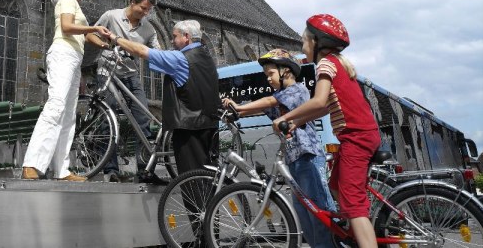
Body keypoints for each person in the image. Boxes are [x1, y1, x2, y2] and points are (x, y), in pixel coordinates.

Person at [273, 14, 380, 248]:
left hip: (356, 137)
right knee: (334, 184)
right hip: (360, 134)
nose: (302, 47)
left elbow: (319, 102)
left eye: (303, 41)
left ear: (316, 42)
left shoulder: (325, 64)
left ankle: (359, 226)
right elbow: (324, 108)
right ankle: (356, 232)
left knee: (353, 205)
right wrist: (297, 122)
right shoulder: (337, 63)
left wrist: (286, 116)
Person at [223, 48, 336, 248]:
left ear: (286, 71)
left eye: (270, 74)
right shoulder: (280, 94)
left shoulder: (297, 90)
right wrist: (237, 112)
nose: (267, 79)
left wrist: (239, 106)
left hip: (307, 155)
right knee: (303, 213)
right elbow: (262, 107)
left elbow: (269, 101)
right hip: (294, 159)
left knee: (318, 210)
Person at [22, 0, 111, 182]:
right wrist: (94, 29)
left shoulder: (77, 7)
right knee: (56, 106)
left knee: (69, 114)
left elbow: (85, 35)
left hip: (74, 59)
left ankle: (61, 170)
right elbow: (67, 27)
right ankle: (32, 164)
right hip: (63, 54)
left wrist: (107, 44)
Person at [108, 19, 219, 177]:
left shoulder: (180, 59)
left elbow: (141, 51)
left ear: (186, 36)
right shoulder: (207, 58)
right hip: (209, 125)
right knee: (207, 174)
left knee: (191, 180)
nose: (172, 41)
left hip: (188, 128)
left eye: (174, 37)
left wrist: (116, 38)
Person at [85, 0, 160, 183]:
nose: (145, 13)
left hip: (131, 75)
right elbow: (90, 35)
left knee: (143, 118)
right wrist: (105, 45)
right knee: (107, 120)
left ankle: (145, 170)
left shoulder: (148, 29)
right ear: (132, 2)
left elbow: (157, 51)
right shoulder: (111, 16)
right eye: (143, 8)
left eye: (148, 10)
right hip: (107, 72)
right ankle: (111, 171)